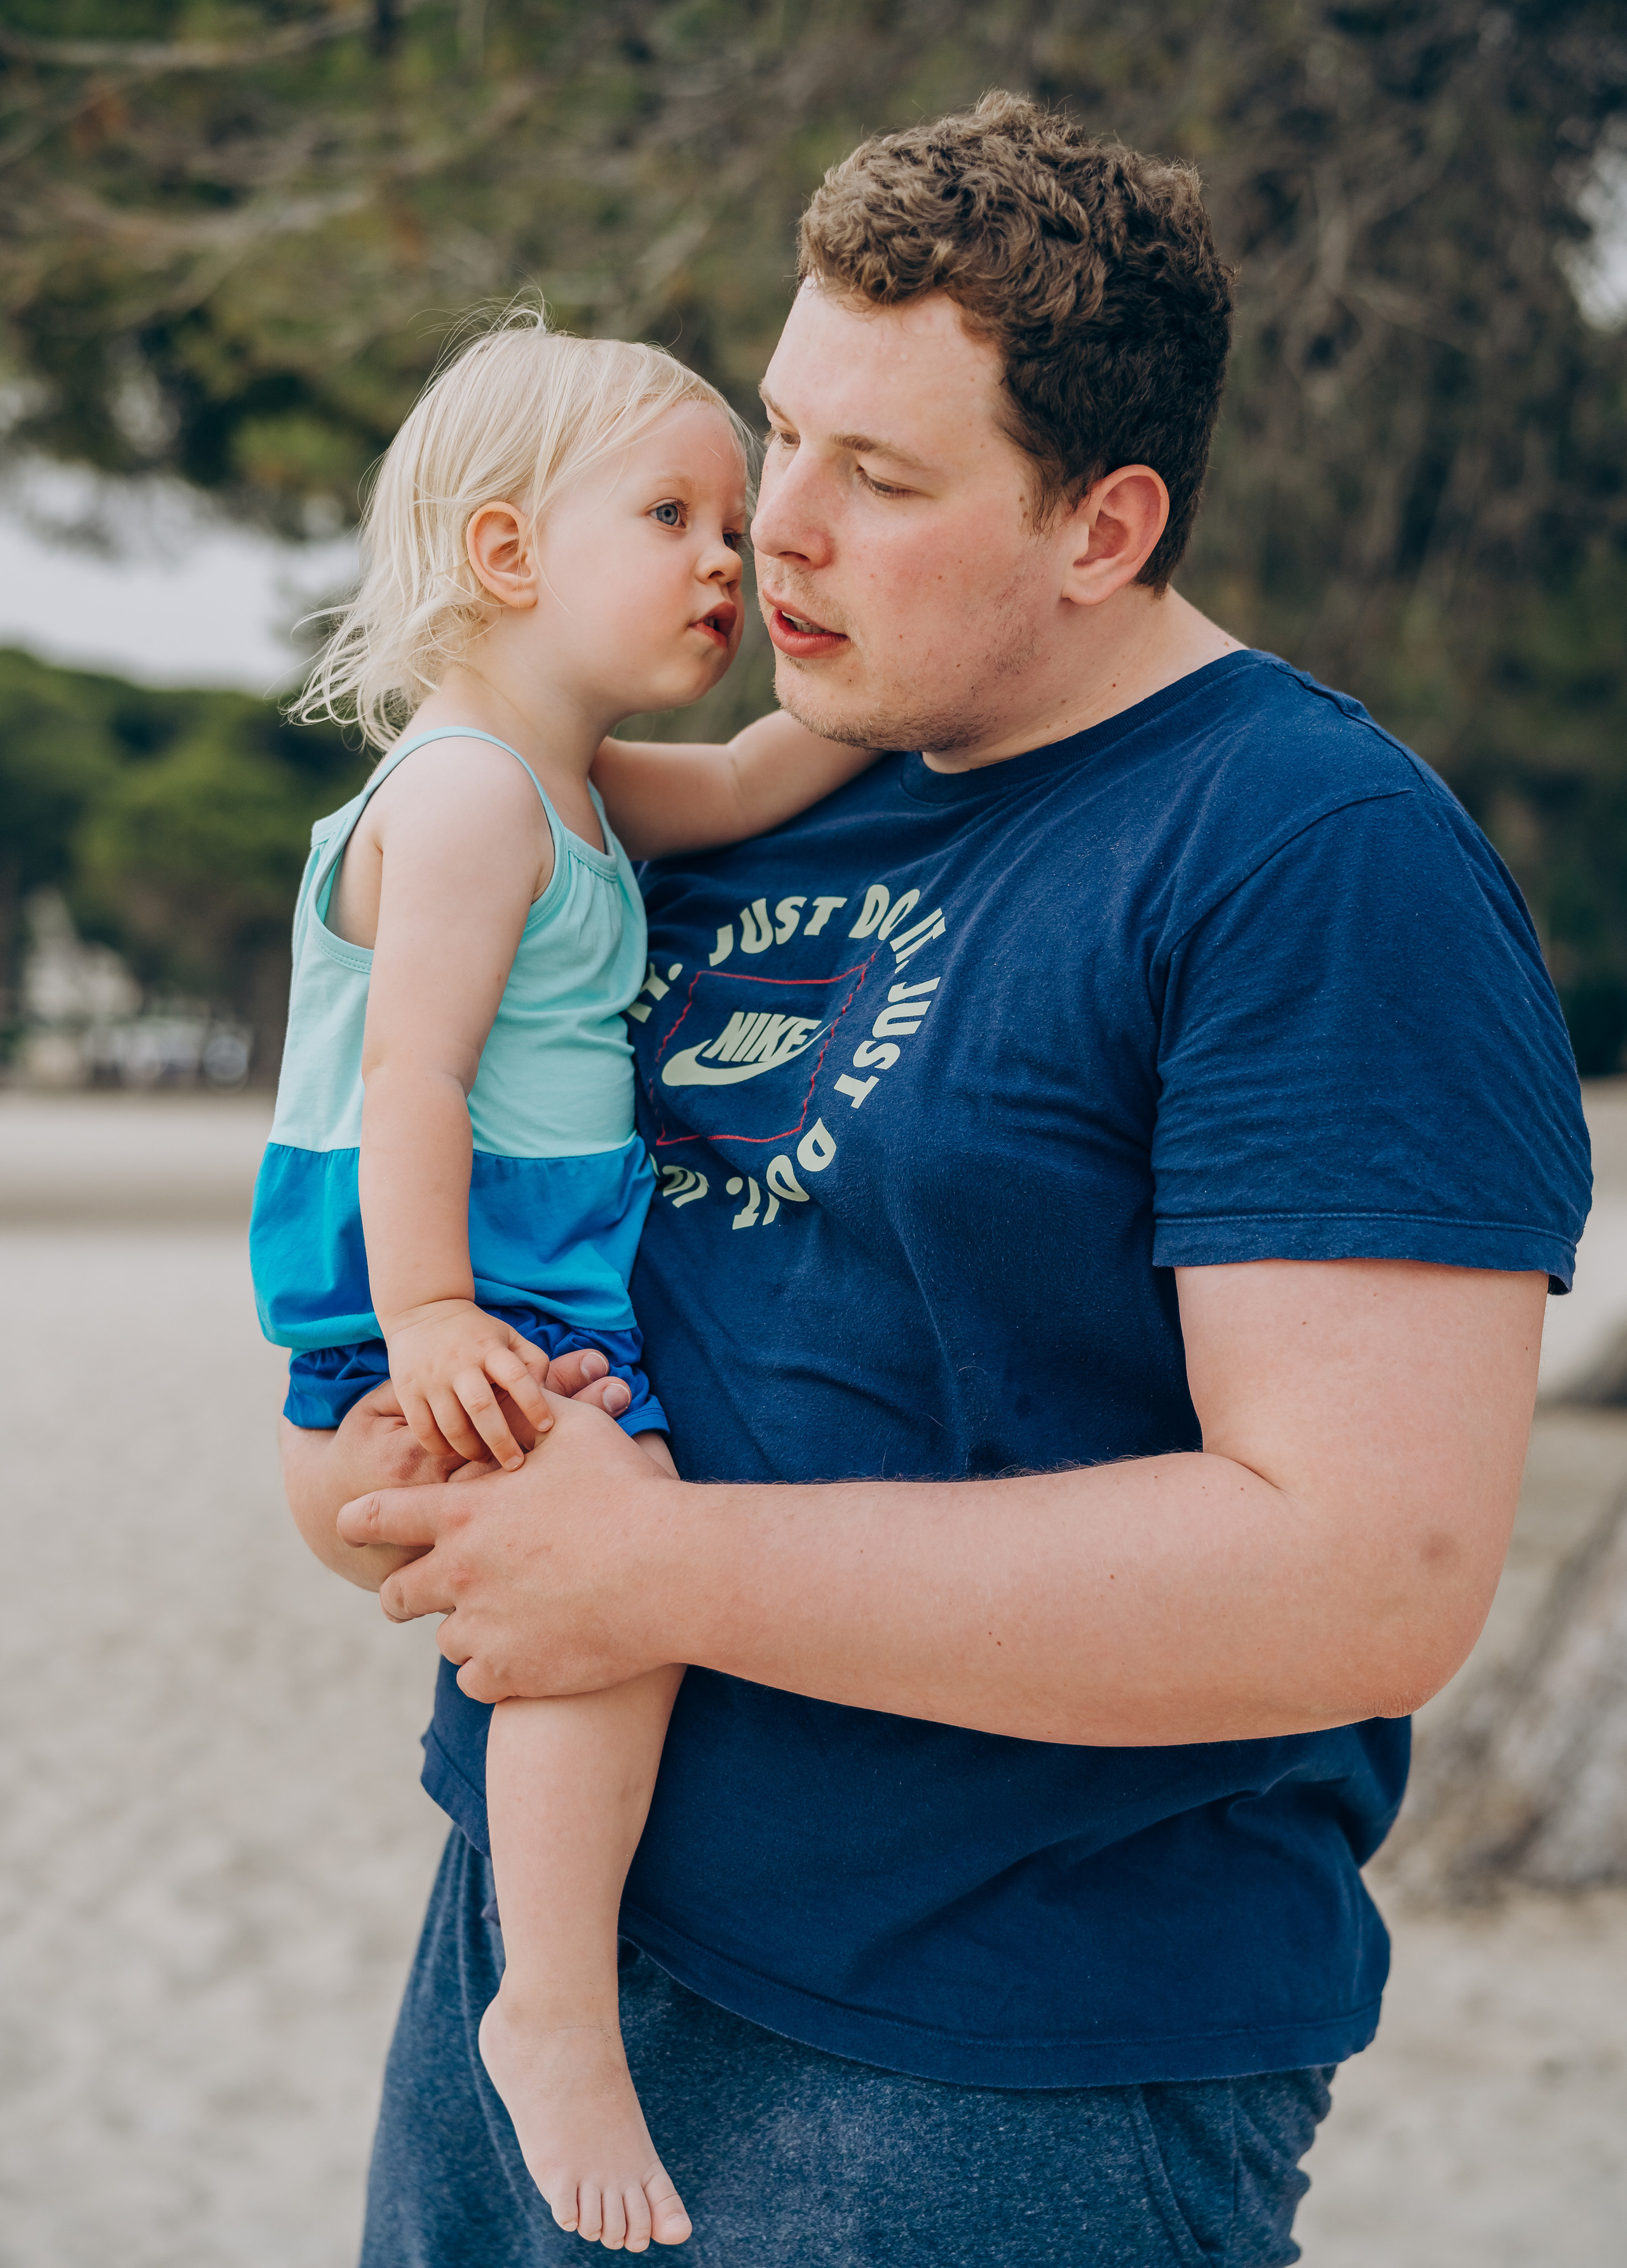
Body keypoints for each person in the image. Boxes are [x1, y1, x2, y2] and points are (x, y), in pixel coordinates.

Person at [285, 93, 1592, 2267]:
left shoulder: (1308, 860)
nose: (772, 532)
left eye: (876, 480)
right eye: (781, 435)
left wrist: (657, 1572)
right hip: (535, 1950)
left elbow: (1371, 1576)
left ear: (1104, 526)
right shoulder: (760, 787)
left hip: (988, 2078)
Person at [253, 315, 878, 2253]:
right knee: (623, 1602)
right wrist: (434, 1317)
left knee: (633, 1592)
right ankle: (551, 2002)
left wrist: (875, 662)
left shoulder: (585, 784)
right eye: (678, 514)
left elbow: (771, 773)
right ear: (511, 556)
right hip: (420, 1326)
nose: (729, 553)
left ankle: (556, 1987)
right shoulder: (465, 799)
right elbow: (411, 1076)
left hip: (529, 1307)